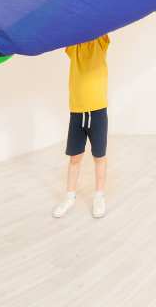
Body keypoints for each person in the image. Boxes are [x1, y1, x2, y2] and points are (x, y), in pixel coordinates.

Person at [52, 34, 110, 219]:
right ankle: (69, 196)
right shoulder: (75, 45)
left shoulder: (100, 42)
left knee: (99, 156)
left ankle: (99, 196)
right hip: (77, 111)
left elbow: (103, 23)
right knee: (75, 158)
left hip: (98, 110)